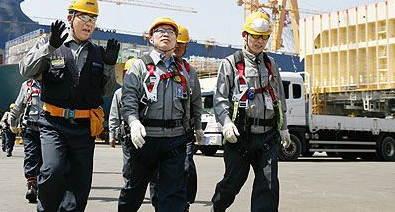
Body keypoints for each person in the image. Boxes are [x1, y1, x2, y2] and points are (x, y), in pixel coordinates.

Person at [19, 0, 119, 212]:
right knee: (53, 170)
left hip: (84, 128)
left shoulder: (99, 54)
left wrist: (110, 66)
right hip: (53, 123)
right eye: (84, 17)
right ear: (70, 17)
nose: (89, 23)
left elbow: (106, 90)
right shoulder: (51, 44)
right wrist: (50, 47)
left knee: (79, 183)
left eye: (93, 19)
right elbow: (26, 70)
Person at [118, 16, 203, 212]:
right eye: (160, 31)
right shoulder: (139, 66)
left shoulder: (185, 71)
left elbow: (194, 103)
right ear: (151, 38)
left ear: (176, 40)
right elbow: (129, 98)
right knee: (133, 191)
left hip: (175, 141)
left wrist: (196, 128)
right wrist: (133, 122)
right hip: (144, 140)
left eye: (171, 31)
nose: (166, 34)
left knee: (172, 196)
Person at [210, 12, 291, 212]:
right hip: (239, 137)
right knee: (232, 184)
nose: (260, 41)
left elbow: (279, 99)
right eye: (255, 36)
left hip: (267, 138)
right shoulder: (229, 64)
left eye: (264, 37)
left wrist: (283, 128)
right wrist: (226, 123)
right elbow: (220, 101)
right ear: (245, 35)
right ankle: (217, 208)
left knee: (268, 185)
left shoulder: (271, 64)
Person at [171, 25, 203, 211]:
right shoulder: (161, 66)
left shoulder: (190, 72)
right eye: (176, 43)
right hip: (165, 129)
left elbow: (197, 101)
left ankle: (186, 201)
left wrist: (198, 126)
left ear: (187, 46)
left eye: (182, 44)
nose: (178, 47)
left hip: (186, 130)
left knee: (187, 166)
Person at [9, 75, 44, 204]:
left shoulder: (53, 82)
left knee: (46, 159)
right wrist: (12, 123)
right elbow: (18, 106)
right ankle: (32, 186)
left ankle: (44, 186)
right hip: (29, 128)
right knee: (31, 156)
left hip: (48, 129)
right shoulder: (27, 86)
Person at [109, 58, 136, 184]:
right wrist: (112, 135)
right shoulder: (119, 93)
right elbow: (114, 115)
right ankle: (129, 188)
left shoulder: (146, 92)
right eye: (127, 73)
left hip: (145, 134)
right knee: (128, 165)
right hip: (127, 135)